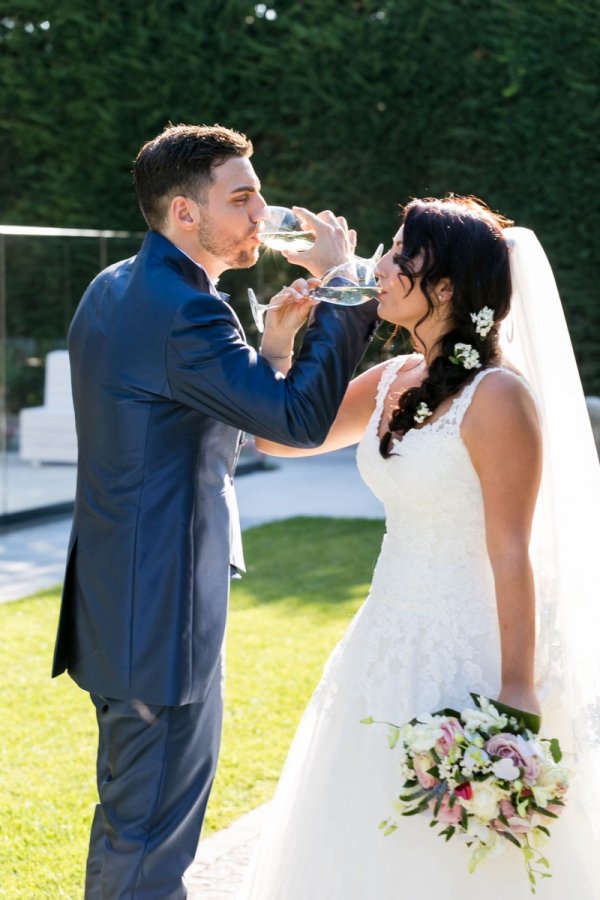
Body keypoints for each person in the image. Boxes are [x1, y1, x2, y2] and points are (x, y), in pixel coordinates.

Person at [51, 122, 379, 899]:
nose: (262, 214)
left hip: (126, 600)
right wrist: (347, 282)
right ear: (184, 212)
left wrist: (269, 354)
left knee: (140, 824)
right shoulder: (183, 312)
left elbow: (193, 424)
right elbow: (295, 423)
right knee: (148, 838)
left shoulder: (120, 286)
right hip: (159, 613)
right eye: (242, 198)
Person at [238, 195, 600, 898]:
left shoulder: (498, 397)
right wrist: (278, 344)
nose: (381, 264)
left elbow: (510, 553)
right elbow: (279, 437)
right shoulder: (389, 382)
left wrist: (517, 695)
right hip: (384, 638)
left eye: (402, 253)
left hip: (473, 648)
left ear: (444, 287)